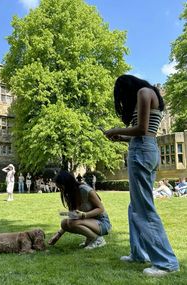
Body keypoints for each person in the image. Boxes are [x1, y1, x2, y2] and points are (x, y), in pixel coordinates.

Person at [104, 75, 179, 277]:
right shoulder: (146, 94)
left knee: (144, 208)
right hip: (144, 148)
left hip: (143, 150)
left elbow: (142, 130)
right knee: (135, 205)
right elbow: (143, 133)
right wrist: (122, 138)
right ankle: (139, 253)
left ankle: (166, 262)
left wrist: (115, 129)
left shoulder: (144, 92)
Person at [48, 170, 112, 250]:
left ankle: (98, 240)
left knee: (72, 222)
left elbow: (101, 209)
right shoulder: (70, 195)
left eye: (61, 187)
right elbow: (73, 215)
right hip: (89, 221)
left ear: (67, 184)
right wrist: (58, 235)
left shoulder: (85, 190)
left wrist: (84, 215)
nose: (60, 190)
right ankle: (90, 239)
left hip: (102, 222)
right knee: (64, 223)